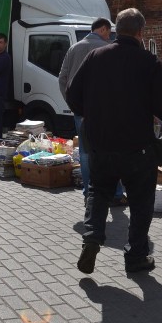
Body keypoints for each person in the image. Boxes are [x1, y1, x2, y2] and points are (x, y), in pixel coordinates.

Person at [67, 8, 162, 274]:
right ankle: (136, 257)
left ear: (116, 30)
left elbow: (73, 95)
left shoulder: (95, 56)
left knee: (98, 191)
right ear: (141, 32)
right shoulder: (147, 61)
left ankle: (93, 237)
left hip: (101, 143)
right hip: (136, 147)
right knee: (141, 202)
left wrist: (91, 113)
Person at [58, 17, 125, 206]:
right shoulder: (109, 49)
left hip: (81, 111)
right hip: (106, 111)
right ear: (103, 29)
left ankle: (90, 194)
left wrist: (72, 104)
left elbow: (62, 79)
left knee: (86, 153)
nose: (110, 35)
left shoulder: (74, 48)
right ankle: (116, 193)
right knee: (112, 150)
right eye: (109, 32)